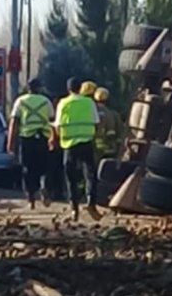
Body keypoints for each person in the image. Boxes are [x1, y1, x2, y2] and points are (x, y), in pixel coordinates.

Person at [50, 77, 101, 221]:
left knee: (70, 177)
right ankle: (91, 203)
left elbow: (57, 125)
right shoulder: (89, 102)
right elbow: (96, 122)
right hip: (86, 142)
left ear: (68, 89)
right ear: (80, 88)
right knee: (90, 174)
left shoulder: (63, 103)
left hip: (69, 145)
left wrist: (57, 139)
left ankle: (74, 208)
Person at [7, 78, 54, 209]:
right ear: (40, 88)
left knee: (27, 169)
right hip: (43, 138)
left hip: (27, 138)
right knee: (44, 168)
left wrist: (10, 142)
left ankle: (31, 199)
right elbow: (52, 122)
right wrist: (53, 139)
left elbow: (14, 123)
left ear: (28, 88)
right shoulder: (46, 102)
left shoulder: (20, 101)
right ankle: (44, 187)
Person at [93, 87, 120, 162]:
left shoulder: (90, 113)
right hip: (110, 150)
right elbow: (119, 132)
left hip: (94, 150)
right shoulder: (114, 114)